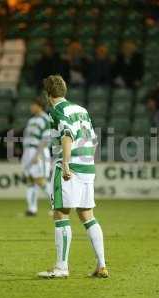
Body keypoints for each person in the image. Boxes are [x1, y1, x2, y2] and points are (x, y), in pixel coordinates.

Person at [37, 75, 108, 278]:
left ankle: (61, 267)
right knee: (88, 215)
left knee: (61, 214)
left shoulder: (56, 110)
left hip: (69, 167)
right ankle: (101, 264)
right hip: (86, 165)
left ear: (47, 94)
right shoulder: (81, 110)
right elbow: (92, 139)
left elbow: (67, 135)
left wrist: (66, 163)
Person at [21, 97, 51, 216]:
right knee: (30, 180)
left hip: (39, 152)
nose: (31, 107)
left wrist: (37, 154)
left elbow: (45, 138)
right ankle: (32, 209)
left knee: (41, 181)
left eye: (33, 105)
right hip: (28, 151)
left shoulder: (45, 119)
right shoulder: (31, 120)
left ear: (39, 106)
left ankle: (57, 206)